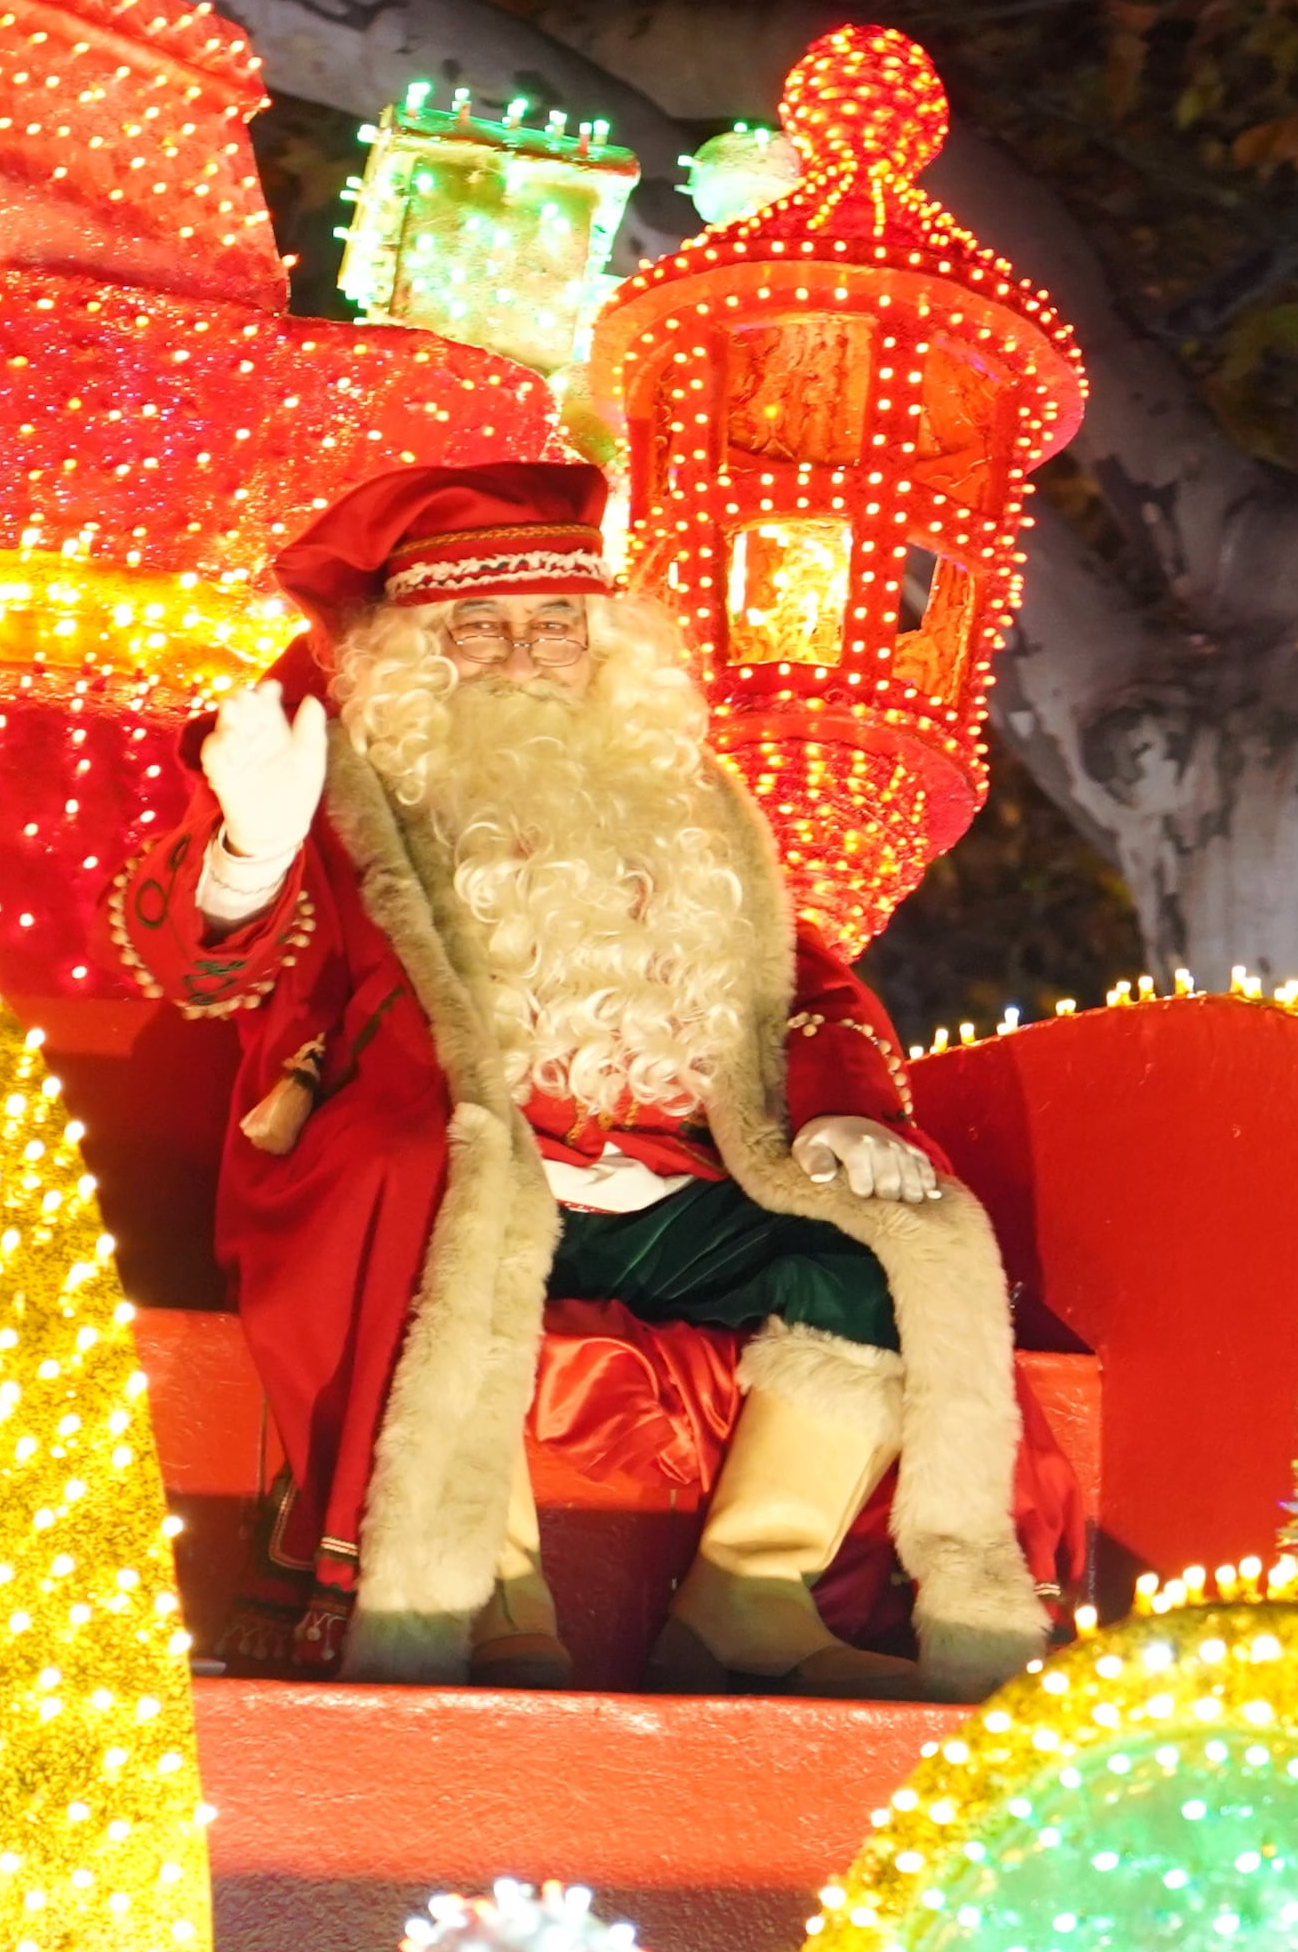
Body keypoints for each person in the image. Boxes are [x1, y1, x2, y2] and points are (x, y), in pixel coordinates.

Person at [106, 459, 1051, 1697]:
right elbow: (202, 966)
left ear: (604, 640)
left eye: (555, 624)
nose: (523, 655)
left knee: (882, 1250)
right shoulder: (348, 796)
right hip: (451, 1173)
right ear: (418, 658)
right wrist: (248, 845)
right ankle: (480, 1596)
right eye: (480, 630)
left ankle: (748, 1601)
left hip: (662, 1185)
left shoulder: (682, 800)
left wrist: (843, 1116)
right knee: (444, 1208)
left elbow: (803, 985)